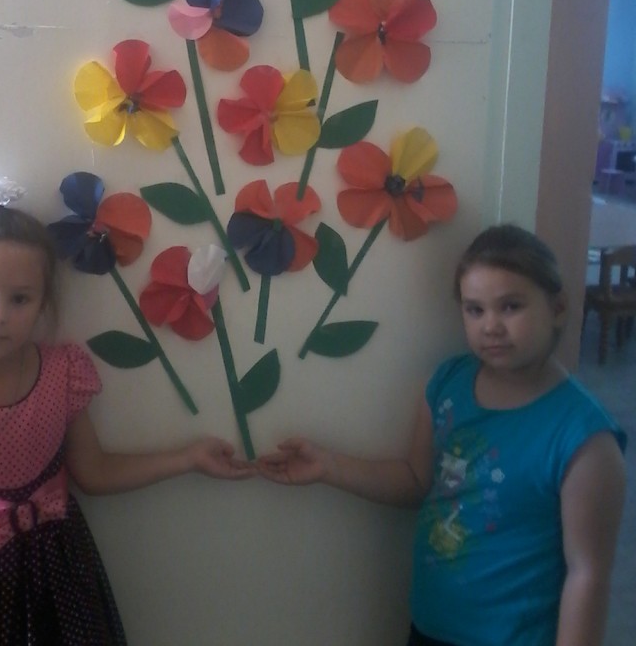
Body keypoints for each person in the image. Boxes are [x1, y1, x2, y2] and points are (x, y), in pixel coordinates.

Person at [0, 178, 252, 646]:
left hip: (56, 581)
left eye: (19, 298)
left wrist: (188, 458)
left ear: (42, 304)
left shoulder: (63, 372)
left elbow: (94, 472)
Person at [258, 224, 627, 646]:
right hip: (431, 628)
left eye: (511, 306)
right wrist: (328, 466)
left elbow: (587, 575)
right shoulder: (447, 385)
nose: (491, 326)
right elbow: (417, 479)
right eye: (475, 310)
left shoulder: (586, 441)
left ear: (557, 308)